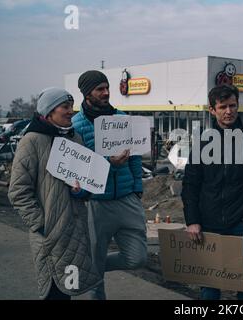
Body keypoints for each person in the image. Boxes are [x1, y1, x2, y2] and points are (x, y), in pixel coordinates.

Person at [181, 84, 243, 300]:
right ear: (212, 110)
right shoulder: (203, 143)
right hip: (208, 226)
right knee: (210, 285)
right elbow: (190, 185)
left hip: (240, 225)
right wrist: (192, 220)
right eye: (223, 106)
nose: (229, 111)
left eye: (233, 105)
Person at [8, 87, 102, 300]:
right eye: (65, 106)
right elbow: (18, 191)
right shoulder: (31, 141)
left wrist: (80, 192)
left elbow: (84, 183)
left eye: (71, 106)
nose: (71, 111)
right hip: (49, 235)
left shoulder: (74, 138)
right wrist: (42, 225)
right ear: (49, 111)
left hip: (75, 232)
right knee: (53, 292)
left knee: (67, 289)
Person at [72, 70, 147, 300]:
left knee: (138, 258)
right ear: (87, 94)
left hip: (126, 198)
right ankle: (92, 272)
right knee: (95, 274)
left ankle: (91, 268)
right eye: (99, 89)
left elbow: (134, 157)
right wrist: (109, 164)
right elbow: (80, 168)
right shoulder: (75, 126)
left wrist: (137, 189)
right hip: (96, 203)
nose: (106, 92)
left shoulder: (123, 118)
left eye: (107, 87)